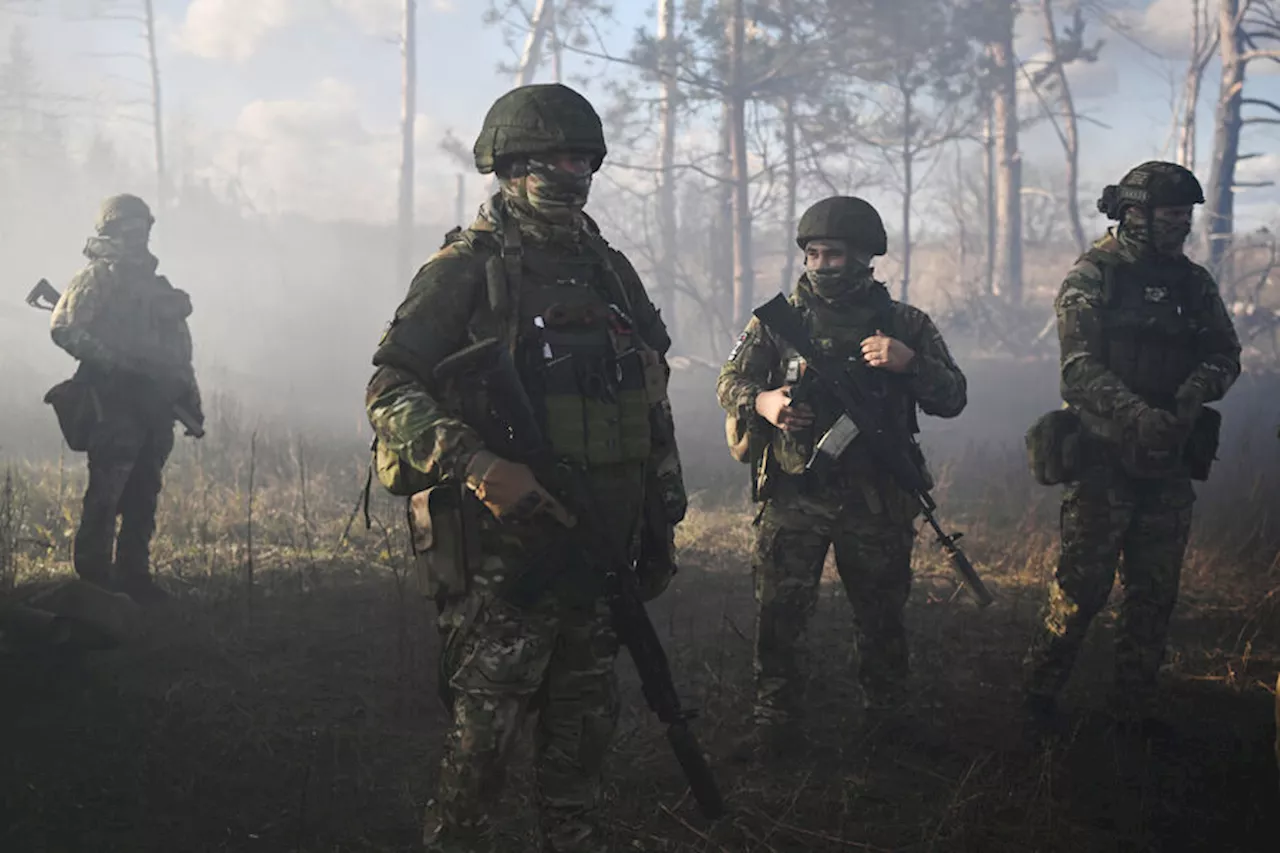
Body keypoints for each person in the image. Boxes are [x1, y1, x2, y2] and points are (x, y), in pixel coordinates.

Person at [365, 83, 685, 852]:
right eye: (551, 160)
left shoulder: (608, 270)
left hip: (599, 546)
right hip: (509, 561)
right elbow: (389, 387)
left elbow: (648, 389)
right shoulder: (466, 269)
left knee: (581, 739)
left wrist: (659, 516)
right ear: (509, 166)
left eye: (582, 158)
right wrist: (477, 464)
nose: (570, 173)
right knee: (483, 749)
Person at [716, 196, 967, 758]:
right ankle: (773, 720)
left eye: (835, 254)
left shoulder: (906, 324)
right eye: (814, 254)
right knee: (780, 612)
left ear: (864, 257)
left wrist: (910, 364)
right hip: (795, 494)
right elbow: (728, 381)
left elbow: (954, 397)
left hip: (876, 502)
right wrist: (765, 402)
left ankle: (888, 717)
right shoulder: (777, 322)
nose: (823, 265)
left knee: (881, 614)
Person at [1022, 161, 1241, 730]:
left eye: (1186, 216)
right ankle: (1038, 695)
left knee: (1154, 594)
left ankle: (1133, 706)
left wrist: (1190, 396)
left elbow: (1224, 354)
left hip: (1167, 459)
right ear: (1135, 214)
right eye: (1171, 215)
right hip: (1103, 457)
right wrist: (1137, 414)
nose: (1181, 226)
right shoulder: (1094, 275)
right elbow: (1078, 370)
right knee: (1080, 591)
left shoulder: (1193, 284)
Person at [49, 194, 203, 605]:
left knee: (144, 492)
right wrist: (112, 361)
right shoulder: (97, 277)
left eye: (144, 229)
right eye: (130, 229)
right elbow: (64, 327)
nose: (139, 238)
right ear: (111, 231)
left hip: (153, 407)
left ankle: (135, 576)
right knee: (106, 493)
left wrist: (189, 397)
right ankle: (94, 582)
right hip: (112, 403)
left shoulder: (157, 288)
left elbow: (180, 350)